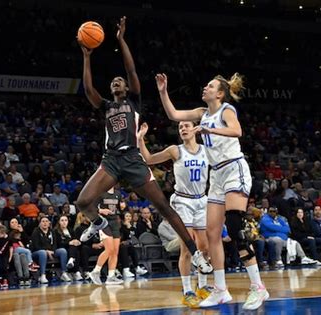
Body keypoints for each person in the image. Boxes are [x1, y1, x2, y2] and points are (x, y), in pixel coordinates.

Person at [75, 16, 211, 274]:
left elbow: (131, 71)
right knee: (83, 202)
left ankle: (196, 256)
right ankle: (97, 222)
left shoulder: (134, 101)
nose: (116, 81)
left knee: (163, 207)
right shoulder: (106, 106)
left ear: (126, 88)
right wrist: (86, 56)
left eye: (120, 81)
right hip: (112, 160)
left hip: (134, 160)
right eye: (113, 81)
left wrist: (121, 40)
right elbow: (88, 88)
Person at [155, 72, 268, 309]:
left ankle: (258, 287)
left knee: (235, 227)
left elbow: (237, 131)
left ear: (220, 93)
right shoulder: (201, 113)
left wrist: (208, 131)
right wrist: (163, 91)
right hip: (216, 175)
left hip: (233, 168)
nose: (205, 87)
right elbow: (173, 114)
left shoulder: (226, 110)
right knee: (213, 234)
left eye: (210, 86)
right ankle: (220, 289)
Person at [138, 121, 211, 307]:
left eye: (187, 125)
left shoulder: (207, 149)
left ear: (195, 129)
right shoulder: (175, 150)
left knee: (205, 247)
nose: (183, 129)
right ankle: (187, 290)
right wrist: (140, 139)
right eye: (180, 127)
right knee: (187, 247)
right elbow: (148, 159)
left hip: (202, 200)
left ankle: (202, 286)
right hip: (183, 201)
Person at [89, 187, 124, 285]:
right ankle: (95, 271)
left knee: (115, 251)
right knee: (109, 250)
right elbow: (91, 207)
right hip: (104, 223)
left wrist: (122, 206)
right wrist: (100, 210)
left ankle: (111, 276)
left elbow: (121, 207)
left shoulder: (118, 193)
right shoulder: (100, 192)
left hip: (115, 223)